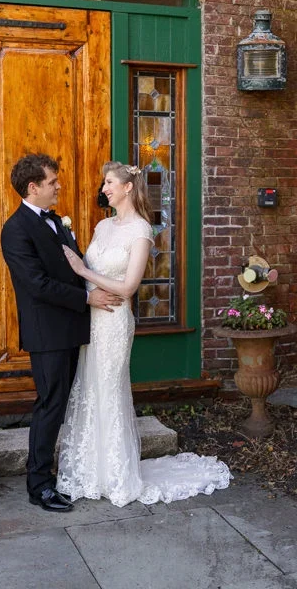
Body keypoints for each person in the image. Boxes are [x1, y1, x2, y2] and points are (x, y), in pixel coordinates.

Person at [57, 161, 232, 507]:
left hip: (114, 321)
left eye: (109, 182)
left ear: (127, 187)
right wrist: (83, 285)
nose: (104, 188)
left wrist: (81, 270)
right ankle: (90, 471)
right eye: (104, 183)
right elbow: (90, 271)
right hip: (92, 316)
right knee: (90, 388)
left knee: (109, 391)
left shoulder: (141, 230)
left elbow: (129, 287)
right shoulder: (102, 225)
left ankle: (116, 475)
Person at [0, 153, 123, 513]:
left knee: (66, 402)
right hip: (47, 332)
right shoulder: (16, 229)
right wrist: (87, 298)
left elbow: (76, 266)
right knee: (50, 404)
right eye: (52, 182)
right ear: (33, 187)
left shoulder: (56, 220)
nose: (58, 186)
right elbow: (36, 284)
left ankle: (69, 471)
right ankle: (38, 484)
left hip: (73, 326)